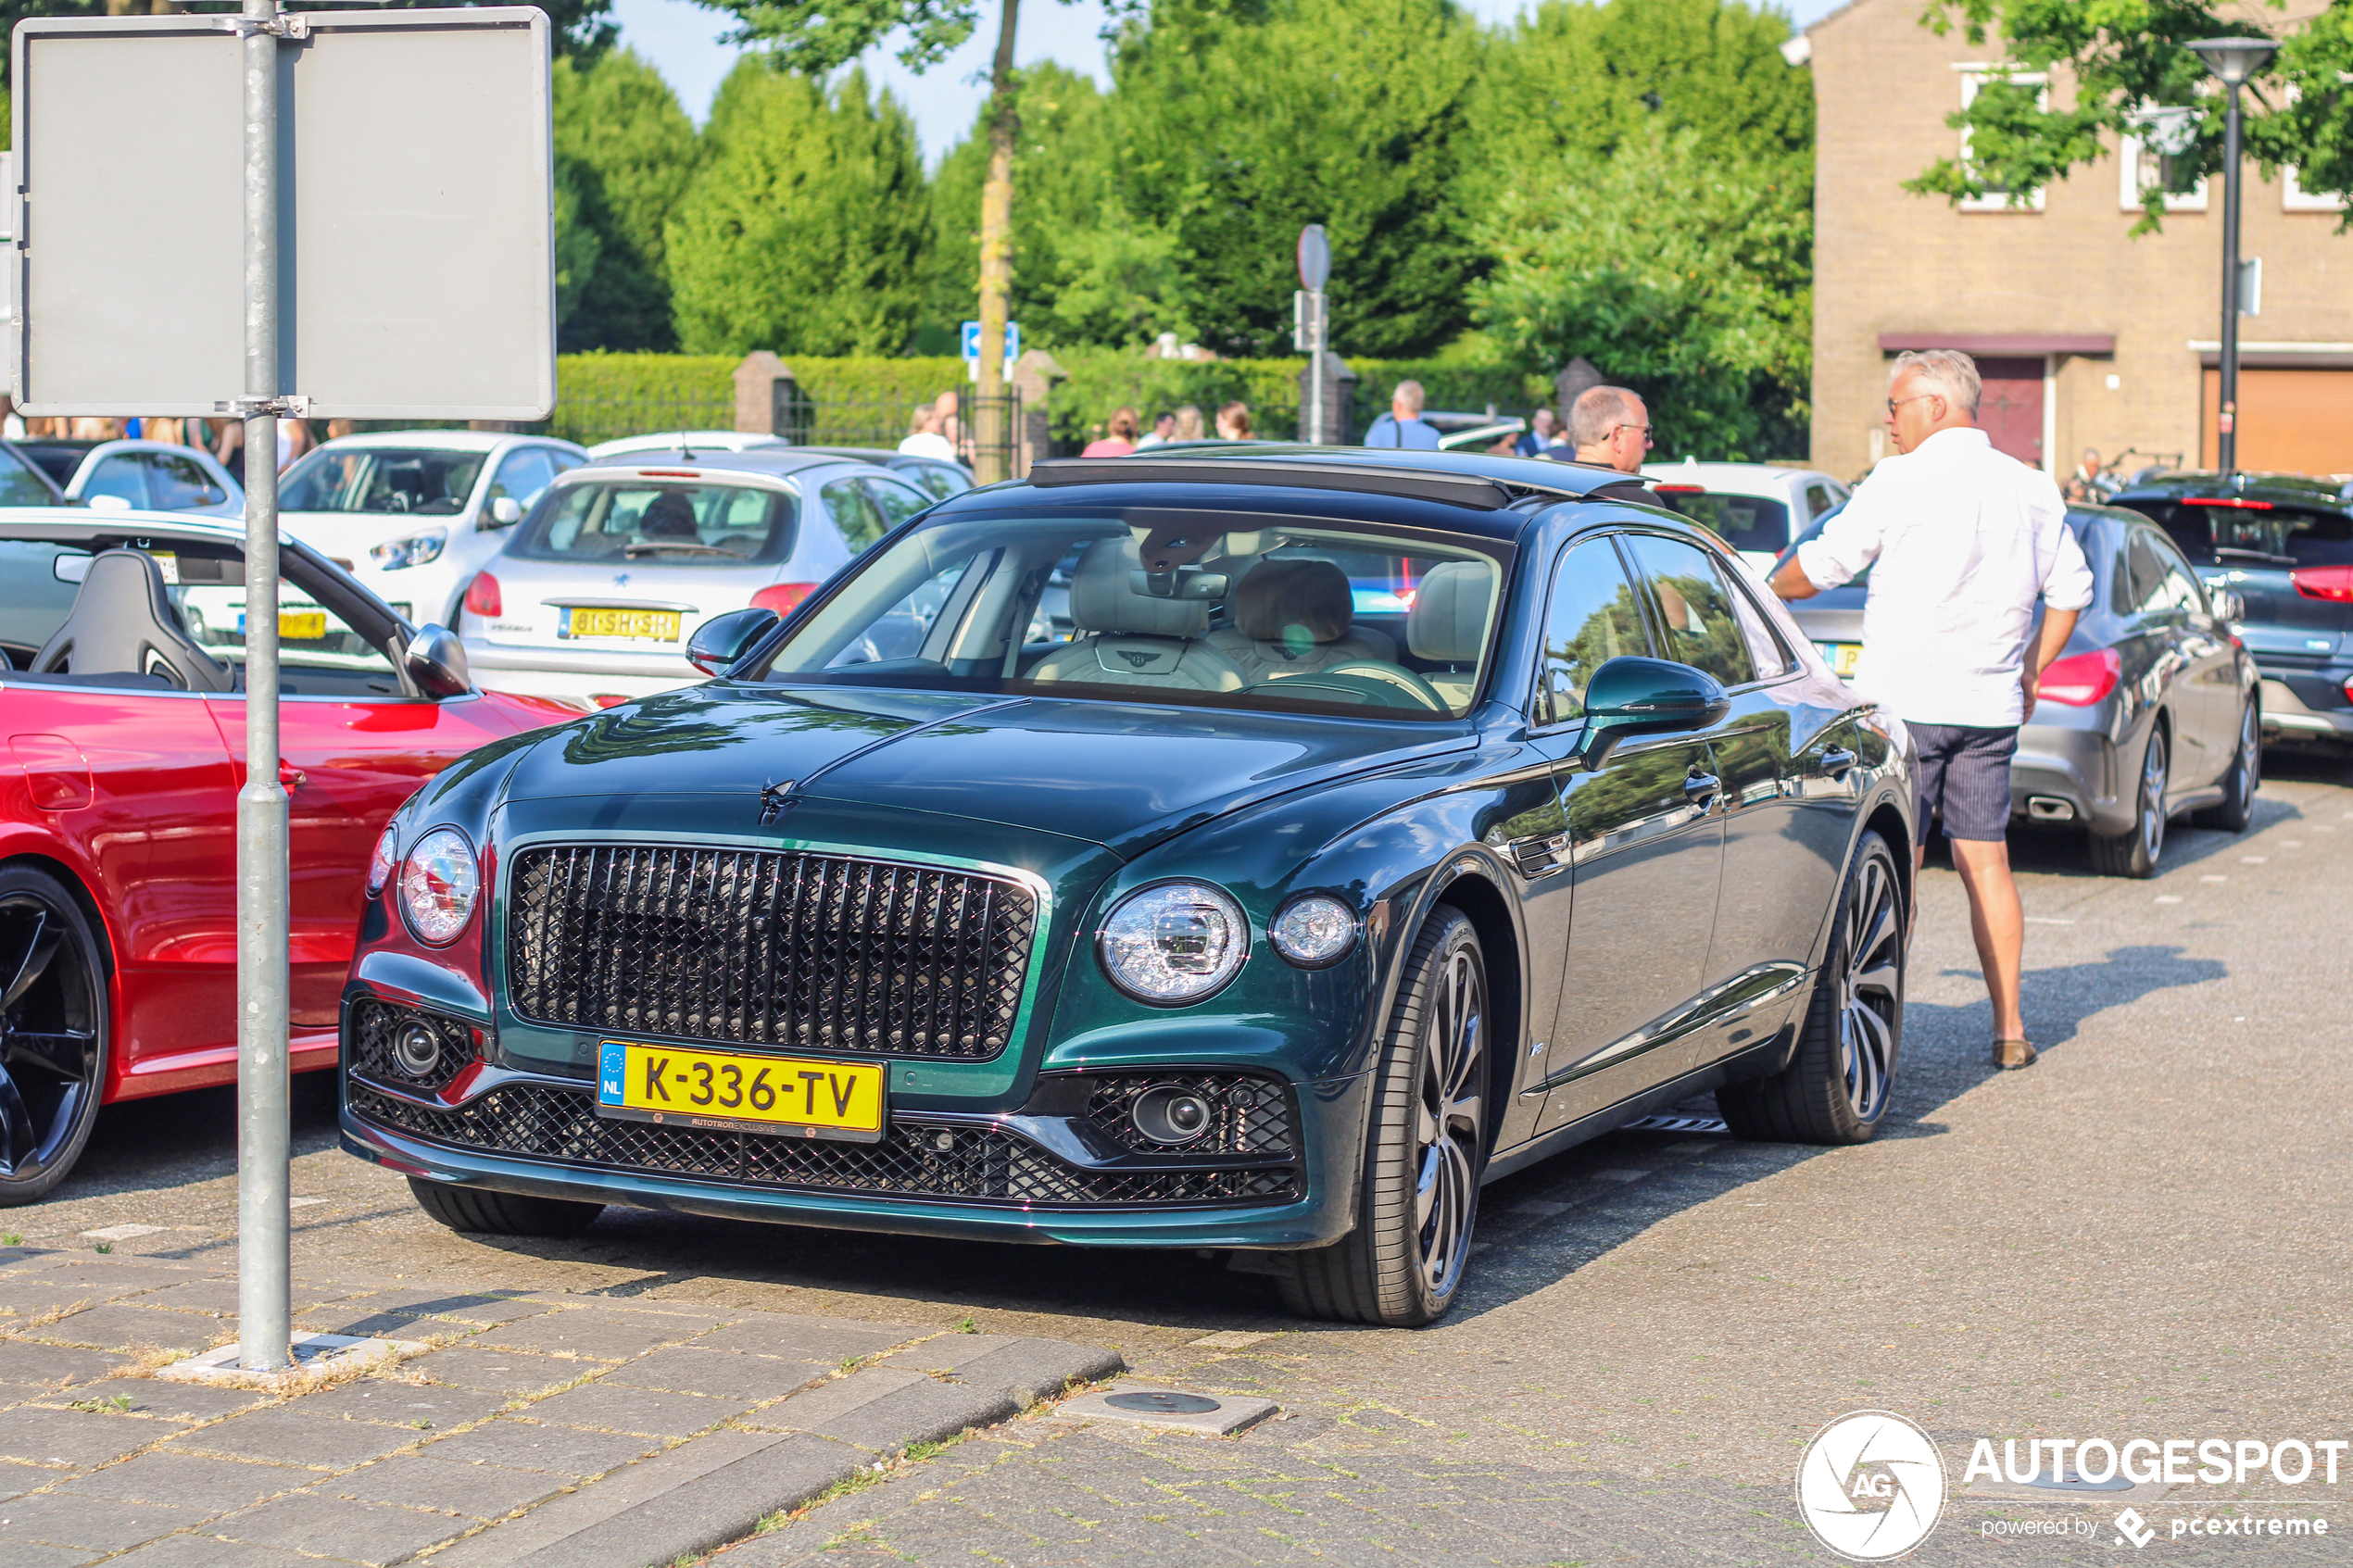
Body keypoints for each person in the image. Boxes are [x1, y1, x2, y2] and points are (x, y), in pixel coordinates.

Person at [1769, 348, 2094, 1073]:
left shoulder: (1900, 479)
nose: (1888, 420)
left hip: (1904, 711)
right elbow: (2072, 591)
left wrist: (1761, 589)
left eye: (1896, 406)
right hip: (1987, 706)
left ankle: (1877, 1033)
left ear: (1937, 405)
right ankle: (2009, 1026)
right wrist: (2033, 668)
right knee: (1989, 864)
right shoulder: (2032, 487)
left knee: (1896, 867)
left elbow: (1825, 566)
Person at [1362, 381, 1441, 449]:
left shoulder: (1381, 432)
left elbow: (1367, 463)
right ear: (1421, 406)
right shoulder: (1434, 435)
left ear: (1397, 404)